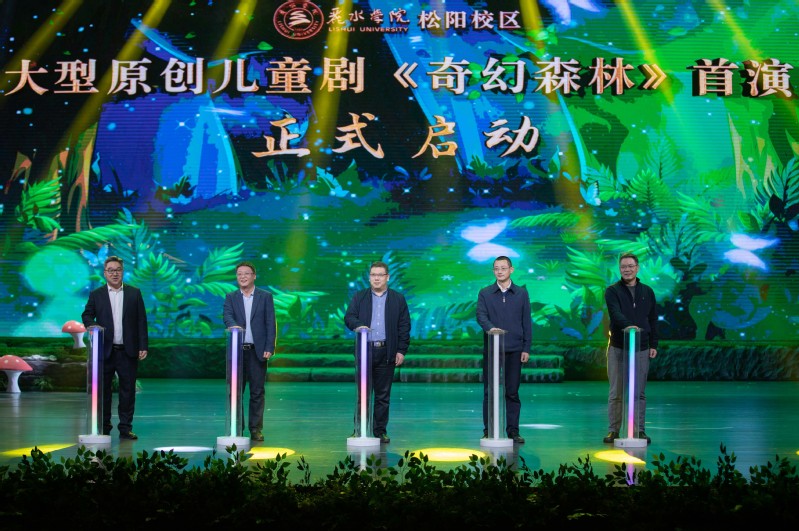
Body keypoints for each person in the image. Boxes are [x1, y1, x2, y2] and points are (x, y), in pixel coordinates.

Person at [81, 256, 148, 440]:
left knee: (128, 391)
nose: (114, 273)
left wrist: (143, 345)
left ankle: (125, 428)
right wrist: (93, 326)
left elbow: (141, 321)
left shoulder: (134, 293)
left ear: (122, 272)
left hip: (128, 351)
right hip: (105, 351)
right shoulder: (97, 294)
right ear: (105, 273)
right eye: (110, 270)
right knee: (104, 391)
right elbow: (86, 315)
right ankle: (104, 426)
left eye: (118, 269)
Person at [344, 261, 411, 444]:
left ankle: (380, 431)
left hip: (387, 351)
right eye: (373, 275)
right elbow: (349, 317)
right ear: (369, 277)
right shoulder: (360, 297)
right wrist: (359, 326)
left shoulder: (398, 299)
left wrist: (401, 350)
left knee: (383, 395)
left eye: (380, 275)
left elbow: (404, 326)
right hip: (365, 351)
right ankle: (359, 430)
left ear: (387, 277)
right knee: (363, 395)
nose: (376, 278)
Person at [603, 252, 658, 445]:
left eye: (630, 266)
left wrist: (654, 344)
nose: (627, 270)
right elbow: (615, 313)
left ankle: (639, 430)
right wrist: (629, 326)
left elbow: (653, 319)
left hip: (641, 347)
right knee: (616, 392)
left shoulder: (647, 291)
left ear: (637, 268)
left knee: (639, 393)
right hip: (618, 346)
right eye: (623, 267)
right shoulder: (612, 291)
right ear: (620, 269)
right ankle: (613, 430)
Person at [476, 256, 532, 444]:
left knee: (512, 391)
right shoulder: (485, 293)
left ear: (511, 270)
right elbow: (481, 315)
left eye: (503, 268)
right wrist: (491, 328)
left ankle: (513, 431)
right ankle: (488, 430)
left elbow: (526, 322)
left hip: (515, 349)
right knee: (489, 391)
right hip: (492, 349)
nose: (499, 271)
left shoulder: (521, 293)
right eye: (496, 268)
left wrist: (526, 347)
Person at [222, 261, 277, 442]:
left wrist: (269, 347)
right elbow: (227, 316)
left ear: (254, 276)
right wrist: (233, 326)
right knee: (236, 393)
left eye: (246, 273)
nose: (242, 277)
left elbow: (270, 323)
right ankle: (237, 427)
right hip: (237, 353)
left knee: (257, 392)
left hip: (257, 351)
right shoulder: (231, 297)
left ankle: (255, 429)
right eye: (239, 274)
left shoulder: (265, 296)